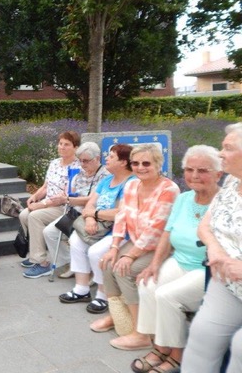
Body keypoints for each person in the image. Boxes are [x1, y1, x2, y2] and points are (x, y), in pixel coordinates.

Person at [130, 145, 222, 373]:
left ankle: (178, 356)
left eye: (202, 170)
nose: (194, 175)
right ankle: (160, 347)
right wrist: (154, 265)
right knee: (147, 284)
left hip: (208, 270)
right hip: (180, 260)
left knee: (167, 296)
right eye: (189, 170)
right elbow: (167, 233)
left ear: (218, 174)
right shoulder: (183, 198)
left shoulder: (224, 203)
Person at [91, 143, 180, 351]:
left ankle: (141, 333)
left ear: (158, 164)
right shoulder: (132, 186)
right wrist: (114, 247)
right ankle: (117, 316)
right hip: (137, 241)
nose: (140, 167)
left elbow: (156, 229)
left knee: (124, 269)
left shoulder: (168, 189)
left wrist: (129, 256)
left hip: (160, 246)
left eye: (146, 163)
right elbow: (122, 217)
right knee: (106, 262)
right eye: (136, 163)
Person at [183, 123, 242, 373]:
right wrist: (215, 249)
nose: (220, 153)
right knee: (202, 333)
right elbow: (205, 225)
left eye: (228, 148)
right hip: (227, 281)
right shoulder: (232, 182)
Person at [58, 143, 134, 314]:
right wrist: (90, 218)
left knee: (95, 252)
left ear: (123, 162)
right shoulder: (107, 180)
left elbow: (121, 213)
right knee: (75, 240)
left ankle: (103, 295)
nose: (107, 159)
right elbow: (90, 204)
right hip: (99, 225)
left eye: (111, 157)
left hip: (120, 230)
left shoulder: (131, 183)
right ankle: (81, 289)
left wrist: (95, 214)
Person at [19, 131, 81, 279]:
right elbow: (46, 186)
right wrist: (34, 197)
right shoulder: (54, 163)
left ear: (76, 147)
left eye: (67, 144)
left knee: (34, 216)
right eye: (60, 143)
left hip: (64, 207)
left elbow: (63, 197)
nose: (62, 147)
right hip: (48, 204)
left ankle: (41, 263)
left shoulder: (76, 168)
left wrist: (40, 205)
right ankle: (36, 253)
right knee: (23, 215)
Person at [42, 141, 110, 276]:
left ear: (97, 158)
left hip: (93, 215)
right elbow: (72, 192)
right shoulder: (80, 173)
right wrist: (66, 196)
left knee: (77, 238)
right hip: (75, 212)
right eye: (80, 160)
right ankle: (70, 263)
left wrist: (67, 199)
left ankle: (88, 270)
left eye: (86, 161)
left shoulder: (105, 175)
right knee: (49, 232)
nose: (82, 164)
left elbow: (92, 199)